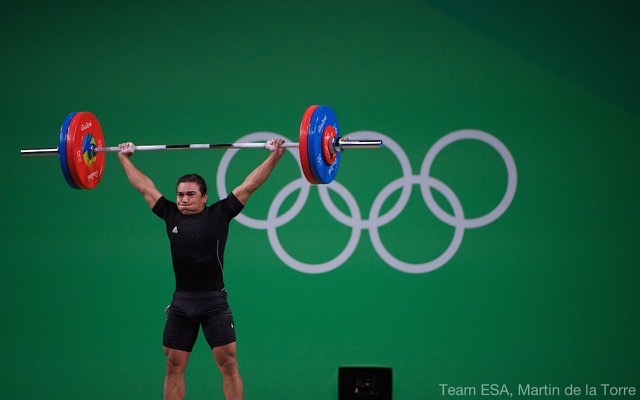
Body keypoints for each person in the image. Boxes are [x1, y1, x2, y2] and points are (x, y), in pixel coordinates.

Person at [117, 139, 285, 400]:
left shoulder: (220, 214)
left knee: (228, 365)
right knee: (173, 366)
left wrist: (275, 155)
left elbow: (250, 184)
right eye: (180, 194)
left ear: (204, 197)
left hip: (213, 302)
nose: (184, 199)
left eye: (190, 194)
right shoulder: (170, 215)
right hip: (182, 303)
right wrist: (123, 158)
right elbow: (144, 187)